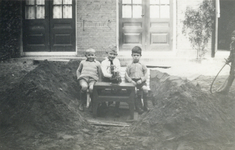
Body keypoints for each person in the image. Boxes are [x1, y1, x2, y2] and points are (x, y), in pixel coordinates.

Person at [125, 46, 149, 114]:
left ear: (140, 56)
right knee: (135, 91)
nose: (136, 57)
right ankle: (138, 108)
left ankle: (146, 106)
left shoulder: (142, 65)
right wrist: (131, 81)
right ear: (131, 55)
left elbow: (146, 74)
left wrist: (141, 80)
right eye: (134, 55)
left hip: (140, 81)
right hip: (132, 81)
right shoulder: (129, 65)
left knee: (145, 89)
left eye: (137, 55)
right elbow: (126, 75)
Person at [101, 45, 122, 117]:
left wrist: (116, 73)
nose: (112, 56)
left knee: (118, 89)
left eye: (114, 54)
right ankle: (104, 107)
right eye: (111, 54)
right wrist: (111, 76)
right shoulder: (104, 62)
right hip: (107, 78)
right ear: (107, 53)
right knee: (101, 89)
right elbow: (104, 73)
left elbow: (118, 70)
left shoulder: (117, 61)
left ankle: (117, 109)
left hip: (115, 79)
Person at [217, 30, 235, 94]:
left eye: (234, 36)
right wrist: (228, 60)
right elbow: (231, 54)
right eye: (232, 36)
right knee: (231, 75)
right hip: (233, 63)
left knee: (232, 74)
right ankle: (226, 90)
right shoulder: (232, 44)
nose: (232, 37)